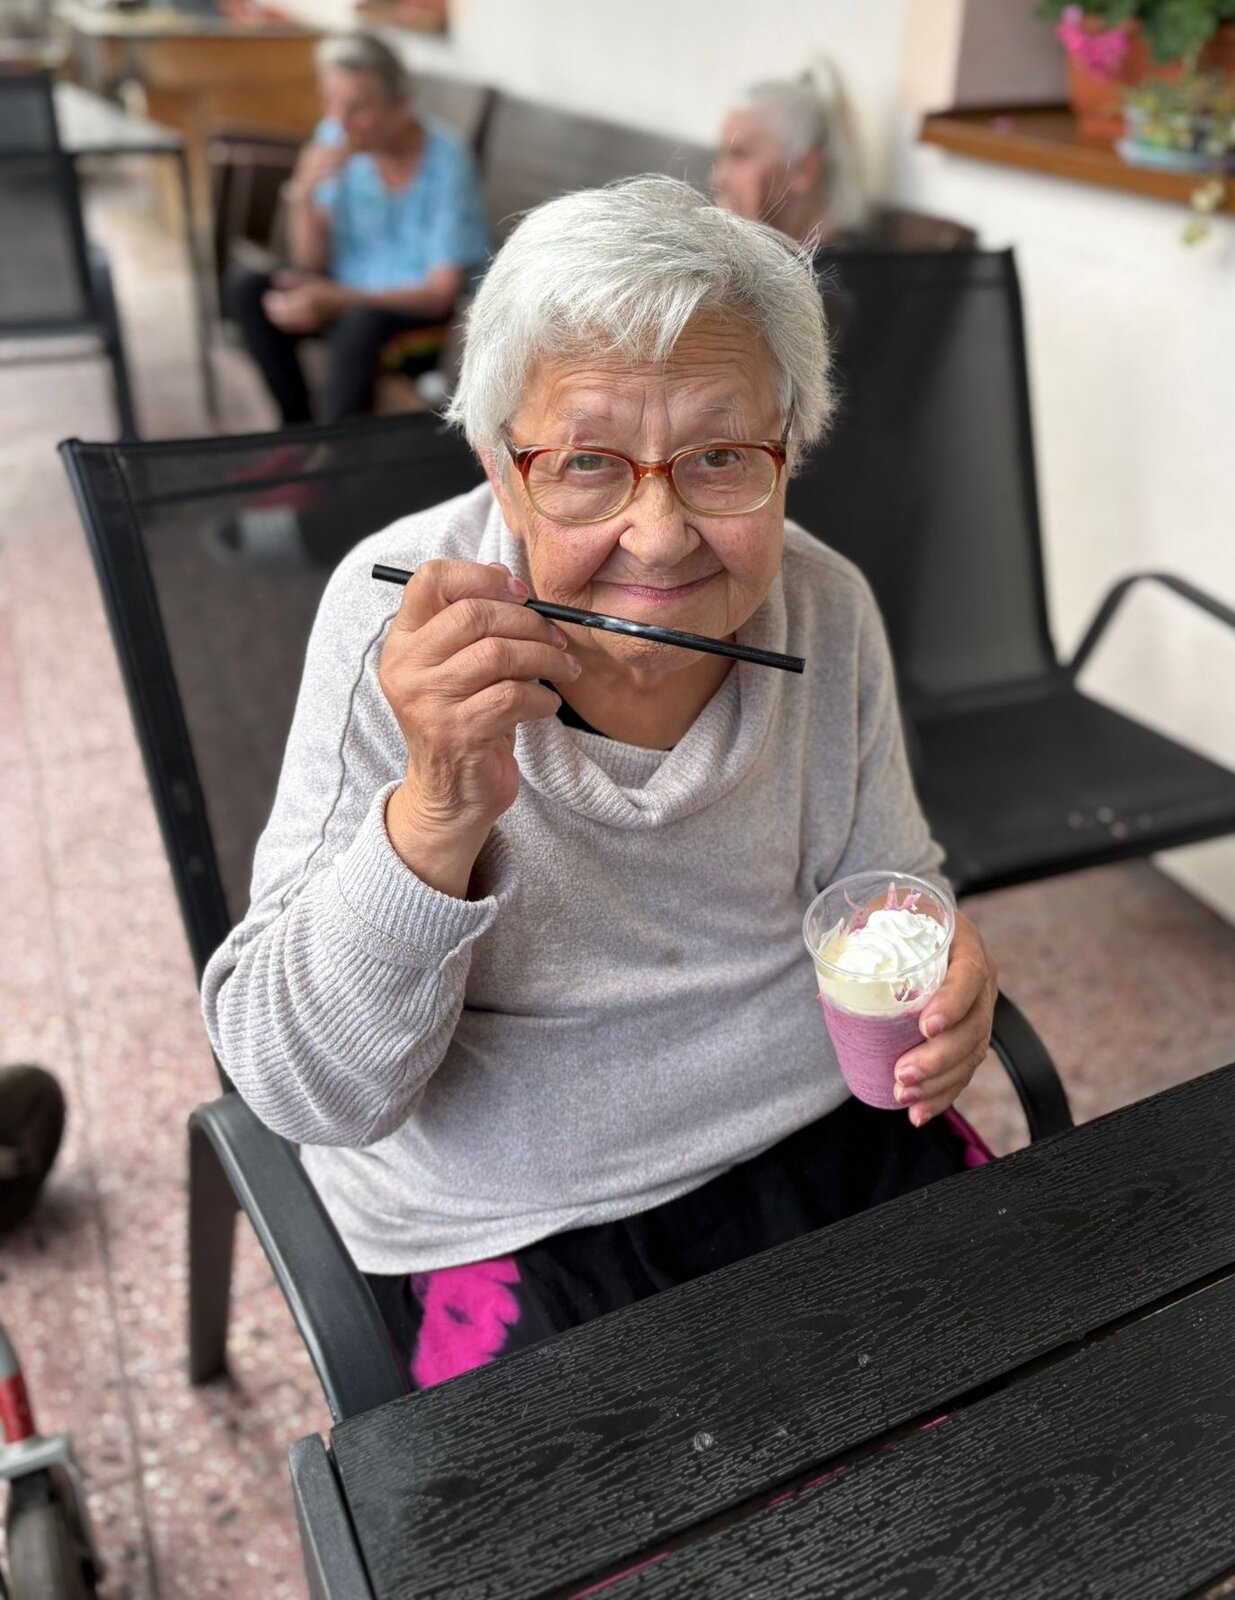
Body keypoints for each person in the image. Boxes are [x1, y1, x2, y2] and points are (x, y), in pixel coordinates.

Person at [202, 177, 998, 1391]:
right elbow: (305, 1089)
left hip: (813, 1128)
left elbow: (884, 886)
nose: (660, 534)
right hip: (512, 1211)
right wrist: (434, 812)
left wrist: (942, 960)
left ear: (790, 448)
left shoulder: (824, 605)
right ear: (500, 468)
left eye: (720, 456)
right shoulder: (396, 630)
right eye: (586, 463)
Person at [225, 31, 490, 426]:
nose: (340, 121)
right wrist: (302, 194)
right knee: (248, 289)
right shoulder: (334, 137)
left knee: (361, 325)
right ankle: (296, 428)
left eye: (357, 109)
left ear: (399, 106)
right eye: (330, 102)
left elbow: (439, 295)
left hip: (419, 320)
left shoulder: (446, 161)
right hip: (347, 299)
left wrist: (338, 299)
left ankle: (335, 453)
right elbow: (311, 262)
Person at [711, 72, 866, 248]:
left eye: (739, 155)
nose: (718, 178)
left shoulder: (853, 263)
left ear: (803, 170)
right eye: (722, 156)